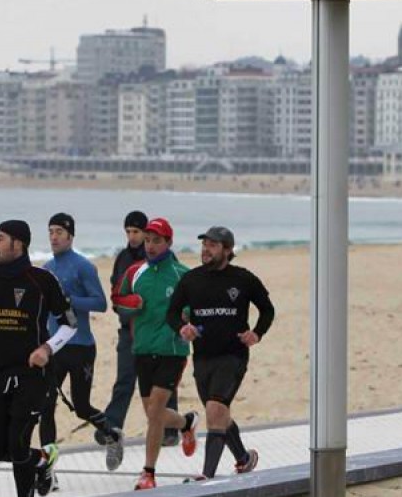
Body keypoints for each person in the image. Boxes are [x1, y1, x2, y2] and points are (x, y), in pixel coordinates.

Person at [0, 220, 78, 497]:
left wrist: (47, 349)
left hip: (32, 376)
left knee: (18, 444)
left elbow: (70, 324)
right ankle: (44, 460)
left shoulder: (42, 280)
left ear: (18, 243)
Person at [166, 226, 275, 482]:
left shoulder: (243, 279)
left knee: (215, 410)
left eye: (213, 245)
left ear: (227, 250)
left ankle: (207, 475)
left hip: (233, 356)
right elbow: (171, 313)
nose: (206, 249)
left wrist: (257, 333)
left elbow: (267, 309)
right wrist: (183, 327)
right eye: (204, 244)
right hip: (203, 357)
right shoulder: (191, 280)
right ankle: (243, 458)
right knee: (220, 415)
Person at [112, 217, 199, 490]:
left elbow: (196, 310)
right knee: (154, 413)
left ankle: (148, 474)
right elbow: (116, 298)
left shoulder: (183, 275)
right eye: (147, 240)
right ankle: (186, 422)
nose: (150, 245)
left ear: (169, 243)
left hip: (172, 350)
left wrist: (189, 324)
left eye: (156, 241)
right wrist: (131, 303)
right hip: (142, 348)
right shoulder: (135, 272)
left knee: (155, 411)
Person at [39, 213, 124, 487]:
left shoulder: (83, 267)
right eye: (50, 232)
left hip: (81, 347)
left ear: (70, 236)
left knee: (82, 406)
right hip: (54, 347)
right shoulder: (45, 269)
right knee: (46, 405)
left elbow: (100, 303)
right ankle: (47, 472)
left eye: (59, 232)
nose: (53, 237)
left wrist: (68, 300)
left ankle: (112, 435)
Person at [96, 210, 180, 447]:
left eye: (137, 232)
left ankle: (170, 430)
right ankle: (111, 427)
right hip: (129, 330)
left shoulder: (167, 260)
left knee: (163, 383)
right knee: (124, 379)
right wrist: (128, 306)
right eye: (129, 232)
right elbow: (116, 294)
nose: (132, 237)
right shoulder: (123, 258)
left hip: (160, 331)